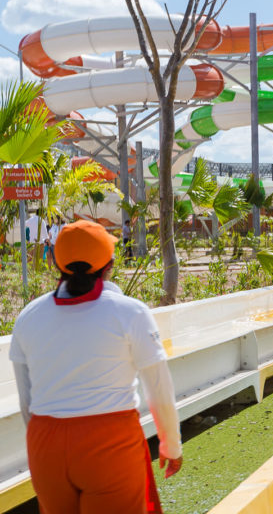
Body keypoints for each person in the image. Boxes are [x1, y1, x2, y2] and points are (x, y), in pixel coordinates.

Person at [9, 220, 182, 513]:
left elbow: (28, 402)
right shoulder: (130, 312)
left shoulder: (28, 317)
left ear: (55, 262)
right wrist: (171, 445)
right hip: (110, 442)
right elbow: (159, 389)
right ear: (109, 264)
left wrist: (46, 445)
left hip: (45, 443)